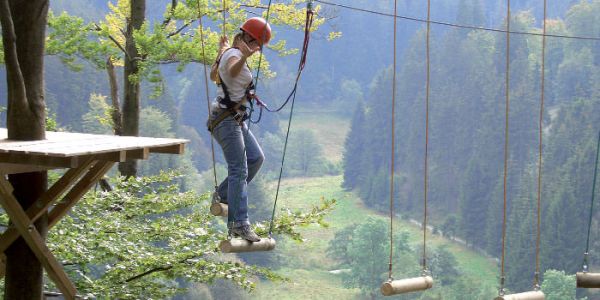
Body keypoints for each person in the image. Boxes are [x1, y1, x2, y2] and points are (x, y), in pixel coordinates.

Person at [208, 17, 271, 242]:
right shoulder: (235, 56)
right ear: (248, 37)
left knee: (255, 158)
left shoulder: (229, 51)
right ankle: (238, 224)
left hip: (232, 118)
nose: (257, 49)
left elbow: (215, 75)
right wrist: (243, 55)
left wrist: (223, 50)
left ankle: (223, 194)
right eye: (257, 44)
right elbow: (233, 72)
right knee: (239, 169)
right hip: (226, 121)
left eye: (259, 46)